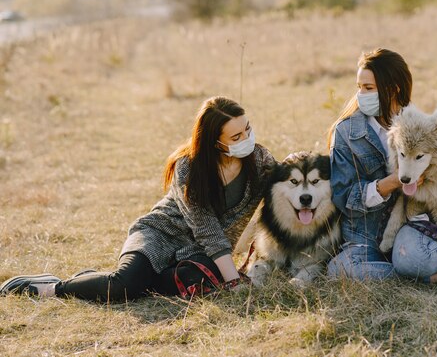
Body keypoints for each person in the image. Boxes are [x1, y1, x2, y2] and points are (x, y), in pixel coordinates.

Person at [1, 96, 275, 301]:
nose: (247, 139)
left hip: (196, 253)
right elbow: (207, 228)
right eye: (237, 136)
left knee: (158, 287)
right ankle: (54, 287)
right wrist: (233, 282)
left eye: (248, 130)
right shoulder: (189, 168)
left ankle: (104, 278)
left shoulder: (260, 161)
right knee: (122, 287)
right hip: (160, 235)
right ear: (215, 141)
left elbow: (287, 183)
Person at [326, 48, 437, 284]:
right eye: (359, 87)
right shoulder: (347, 132)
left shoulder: (416, 124)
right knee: (340, 270)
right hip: (365, 234)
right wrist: (388, 184)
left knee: (408, 257)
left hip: (411, 223)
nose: (361, 95)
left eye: (368, 88)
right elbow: (343, 196)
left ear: (393, 89)